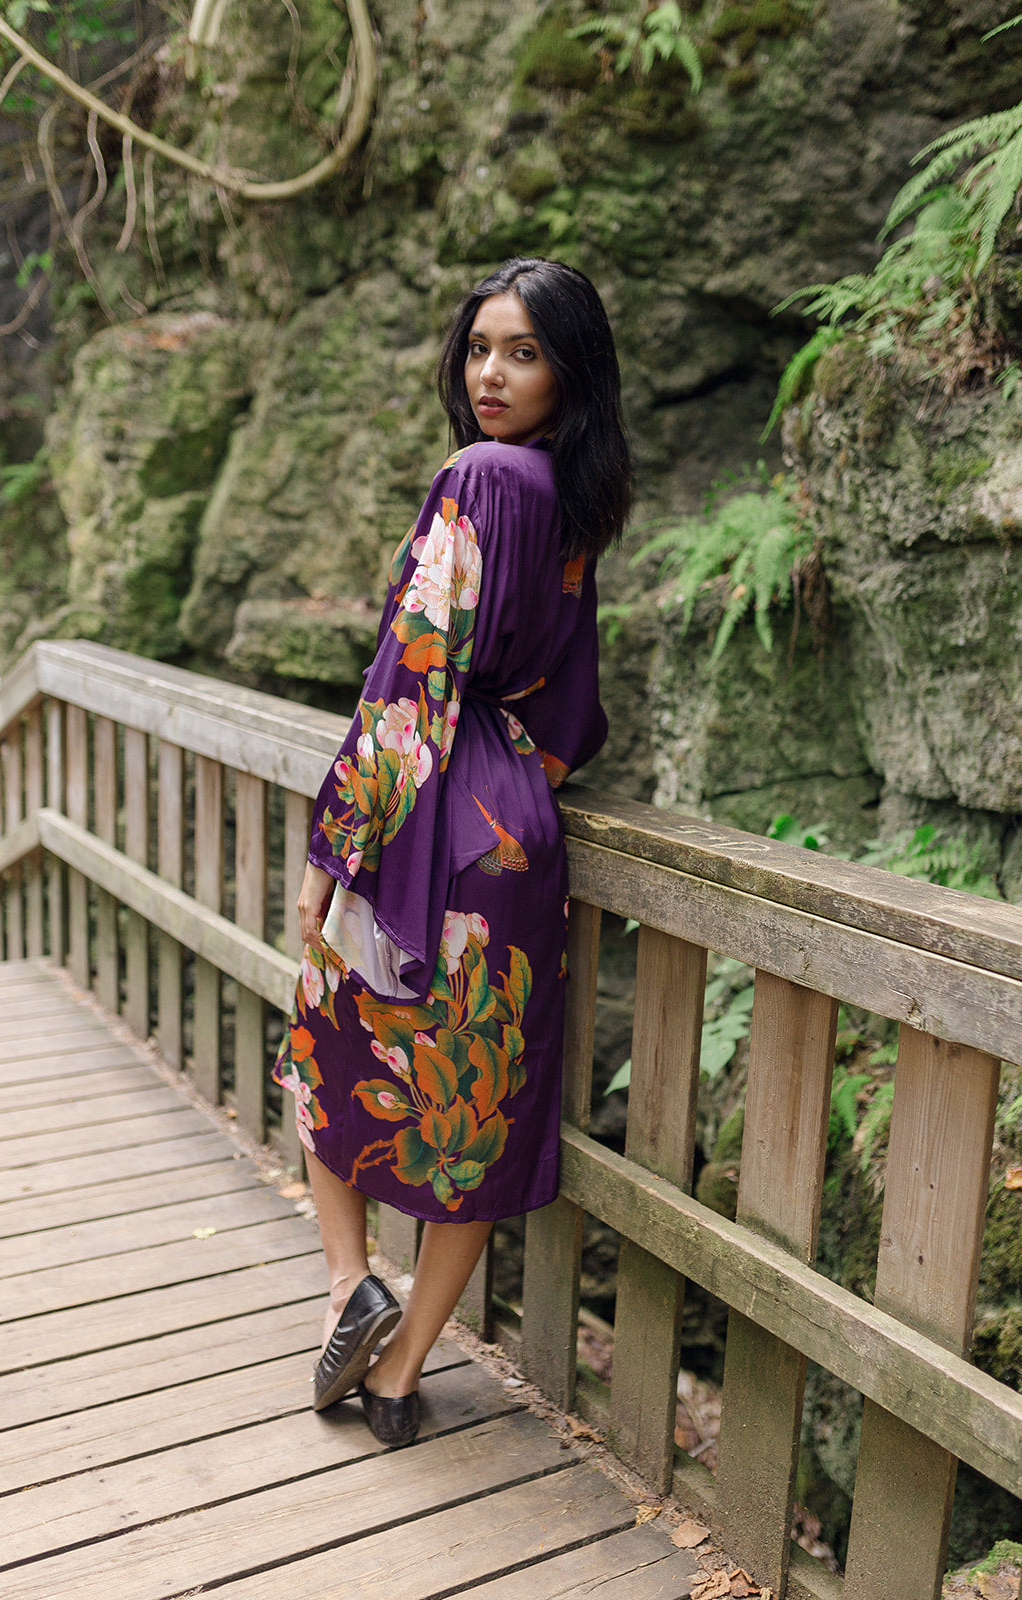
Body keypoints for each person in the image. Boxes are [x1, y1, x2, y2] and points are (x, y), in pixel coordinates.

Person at [272, 256, 631, 1448]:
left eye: (521, 351)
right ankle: (397, 1377)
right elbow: (571, 714)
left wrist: (335, 845)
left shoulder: (475, 477)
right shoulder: (574, 504)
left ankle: (346, 1287)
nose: (489, 371)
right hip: (514, 829)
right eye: (480, 346)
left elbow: (408, 678)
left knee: (328, 1050)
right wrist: (513, 799)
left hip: (420, 801)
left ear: (567, 371)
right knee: (475, 1108)